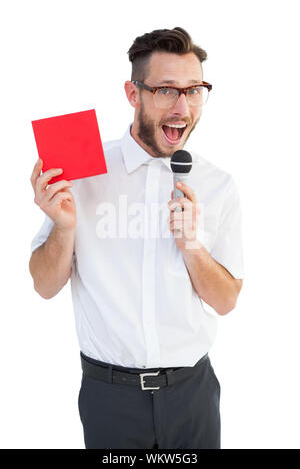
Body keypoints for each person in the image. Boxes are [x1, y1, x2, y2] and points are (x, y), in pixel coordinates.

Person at [29, 26, 244, 449]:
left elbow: (226, 300)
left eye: (194, 89)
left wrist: (192, 247)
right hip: (110, 396)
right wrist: (64, 226)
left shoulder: (218, 184)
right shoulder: (81, 168)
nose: (183, 107)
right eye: (166, 90)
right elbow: (43, 285)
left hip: (193, 394)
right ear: (133, 93)